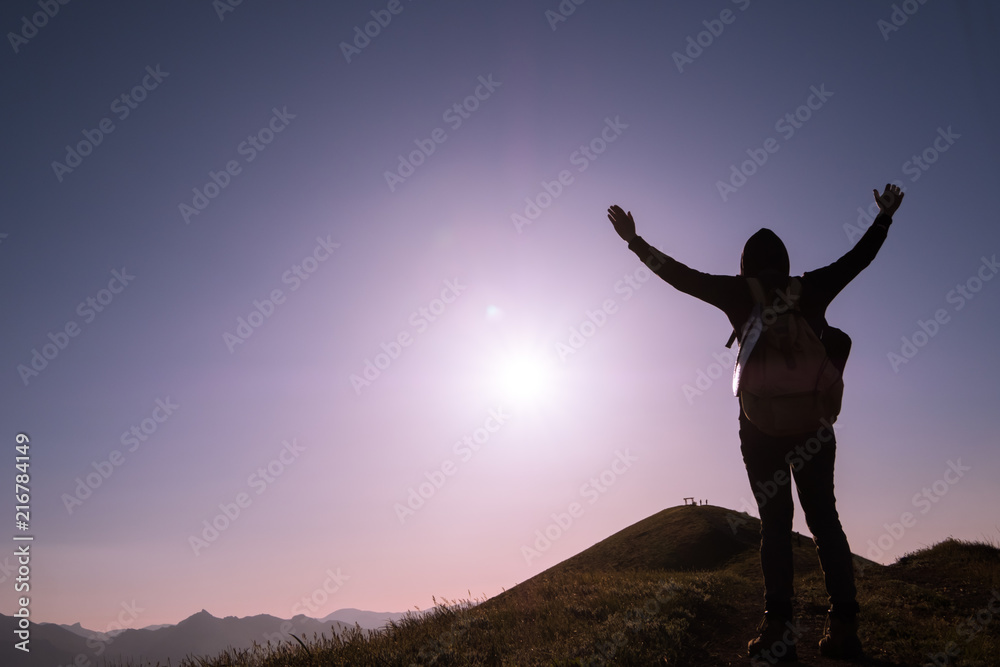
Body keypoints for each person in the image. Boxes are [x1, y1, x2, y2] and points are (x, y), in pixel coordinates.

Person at [607, 184, 904, 662]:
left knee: (775, 522)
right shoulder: (810, 287)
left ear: (744, 264)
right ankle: (845, 626)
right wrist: (885, 217)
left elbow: (679, 276)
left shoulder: (736, 292)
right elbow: (858, 258)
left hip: (760, 429)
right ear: (784, 262)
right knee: (825, 520)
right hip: (813, 426)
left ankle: (778, 629)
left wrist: (634, 241)